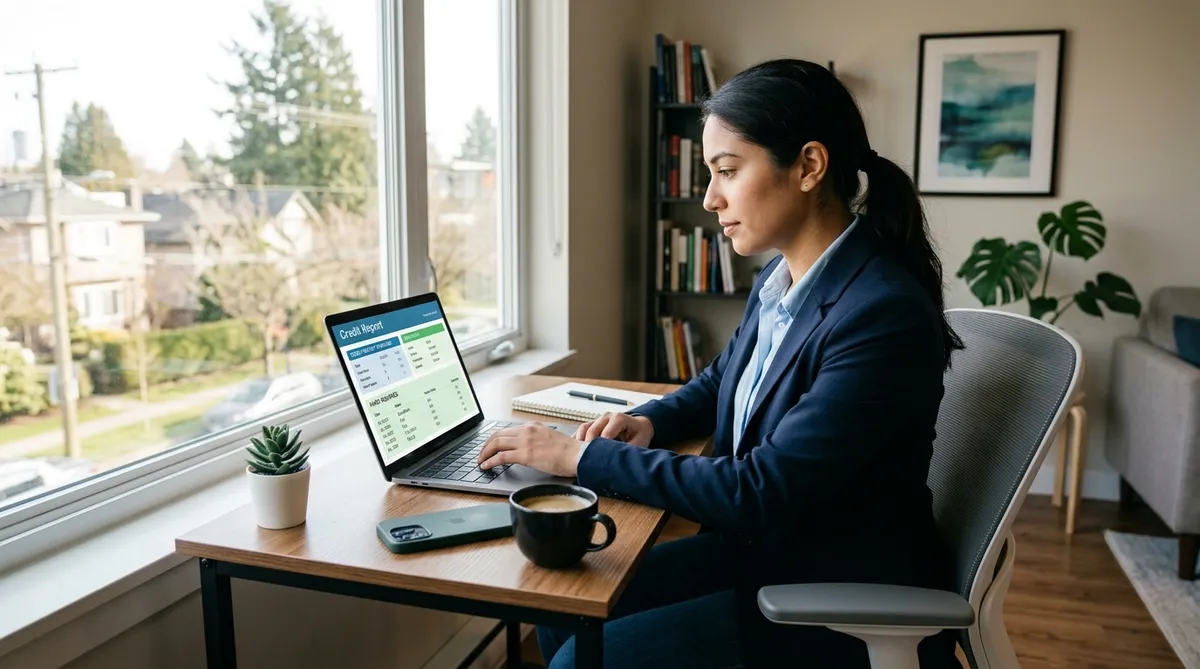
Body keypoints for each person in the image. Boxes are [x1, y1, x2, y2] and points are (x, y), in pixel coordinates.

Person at [477, 57, 965, 669]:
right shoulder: (785, 276)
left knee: (579, 655)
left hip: (828, 588)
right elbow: (721, 382)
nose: (710, 198)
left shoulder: (882, 314)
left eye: (727, 171)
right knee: (567, 602)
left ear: (810, 166)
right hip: (766, 550)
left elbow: (759, 489)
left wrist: (576, 456)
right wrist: (652, 421)